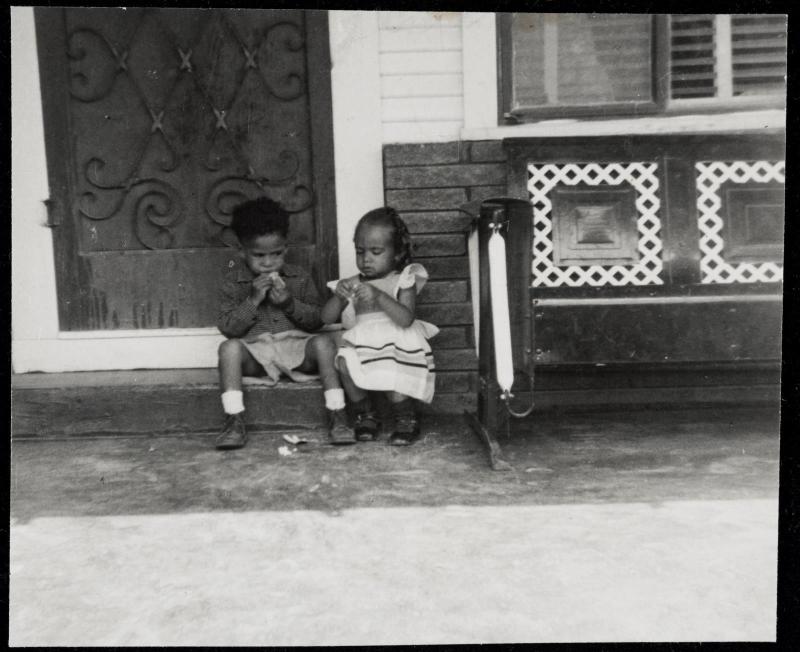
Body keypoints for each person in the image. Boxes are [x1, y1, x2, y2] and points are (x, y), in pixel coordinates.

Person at [312, 206, 438, 446]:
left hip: (397, 340)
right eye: (360, 252)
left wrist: (379, 296)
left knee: (394, 368)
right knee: (345, 363)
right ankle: (365, 414)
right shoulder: (352, 283)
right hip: (363, 343)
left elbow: (406, 318)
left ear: (397, 254)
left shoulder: (403, 279)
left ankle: (405, 419)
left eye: (376, 251)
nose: (366, 259)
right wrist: (339, 297)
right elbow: (326, 318)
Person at [215, 196, 324, 450]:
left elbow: (316, 321)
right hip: (258, 357)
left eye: (276, 253)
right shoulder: (234, 283)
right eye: (259, 255)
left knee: (324, 344)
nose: (268, 262)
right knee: (228, 349)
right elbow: (228, 329)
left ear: (286, 248)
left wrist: (289, 304)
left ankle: (337, 413)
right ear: (241, 251)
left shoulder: (299, 277)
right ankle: (233, 420)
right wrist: (253, 300)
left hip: (295, 353)